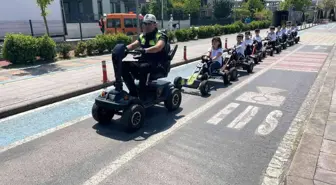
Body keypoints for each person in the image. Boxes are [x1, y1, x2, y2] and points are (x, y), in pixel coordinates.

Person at [122, 14, 168, 100]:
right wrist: (123, 49)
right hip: (144, 62)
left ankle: (143, 95)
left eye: (149, 24)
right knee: (124, 65)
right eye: (145, 24)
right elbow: (133, 45)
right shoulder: (142, 36)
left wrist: (145, 50)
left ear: (155, 24)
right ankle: (133, 92)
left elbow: (158, 47)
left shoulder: (161, 36)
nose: (146, 26)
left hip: (158, 64)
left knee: (144, 67)